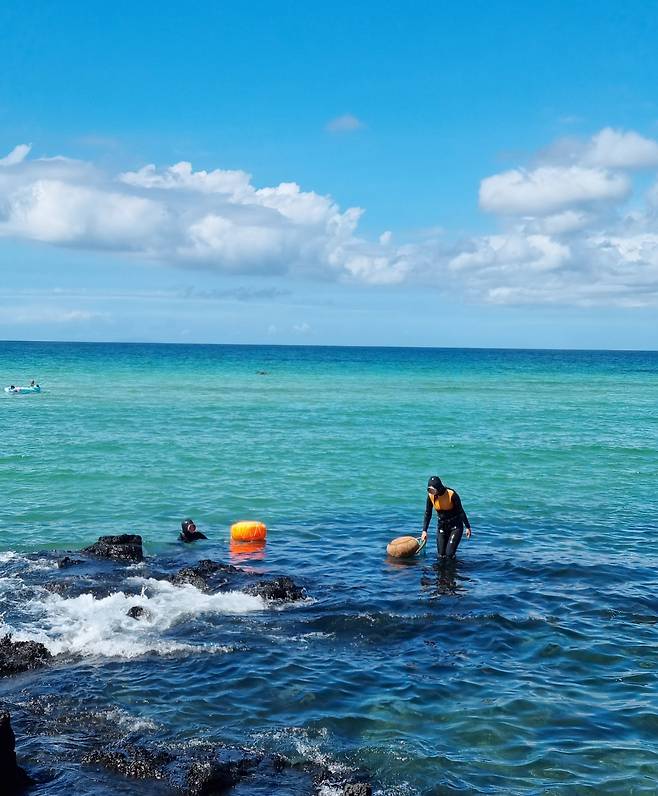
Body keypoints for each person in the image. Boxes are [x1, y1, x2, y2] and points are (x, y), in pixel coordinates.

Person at [421, 475, 472, 559]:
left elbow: (461, 511)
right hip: (442, 526)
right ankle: (442, 572)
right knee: (441, 555)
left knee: (449, 554)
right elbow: (428, 513)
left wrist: (467, 527)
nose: (431, 492)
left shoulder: (451, 494)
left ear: (438, 487)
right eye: (429, 490)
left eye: (432, 490)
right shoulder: (430, 496)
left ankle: (453, 571)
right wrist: (424, 531)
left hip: (455, 527)